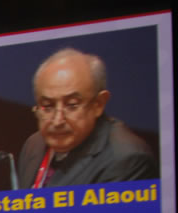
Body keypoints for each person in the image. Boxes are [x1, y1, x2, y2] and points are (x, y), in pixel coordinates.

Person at [18, 47, 157, 189]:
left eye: (72, 105)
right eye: (47, 106)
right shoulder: (33, 145)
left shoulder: (126, 160)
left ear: (99, 104)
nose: (57, 121)